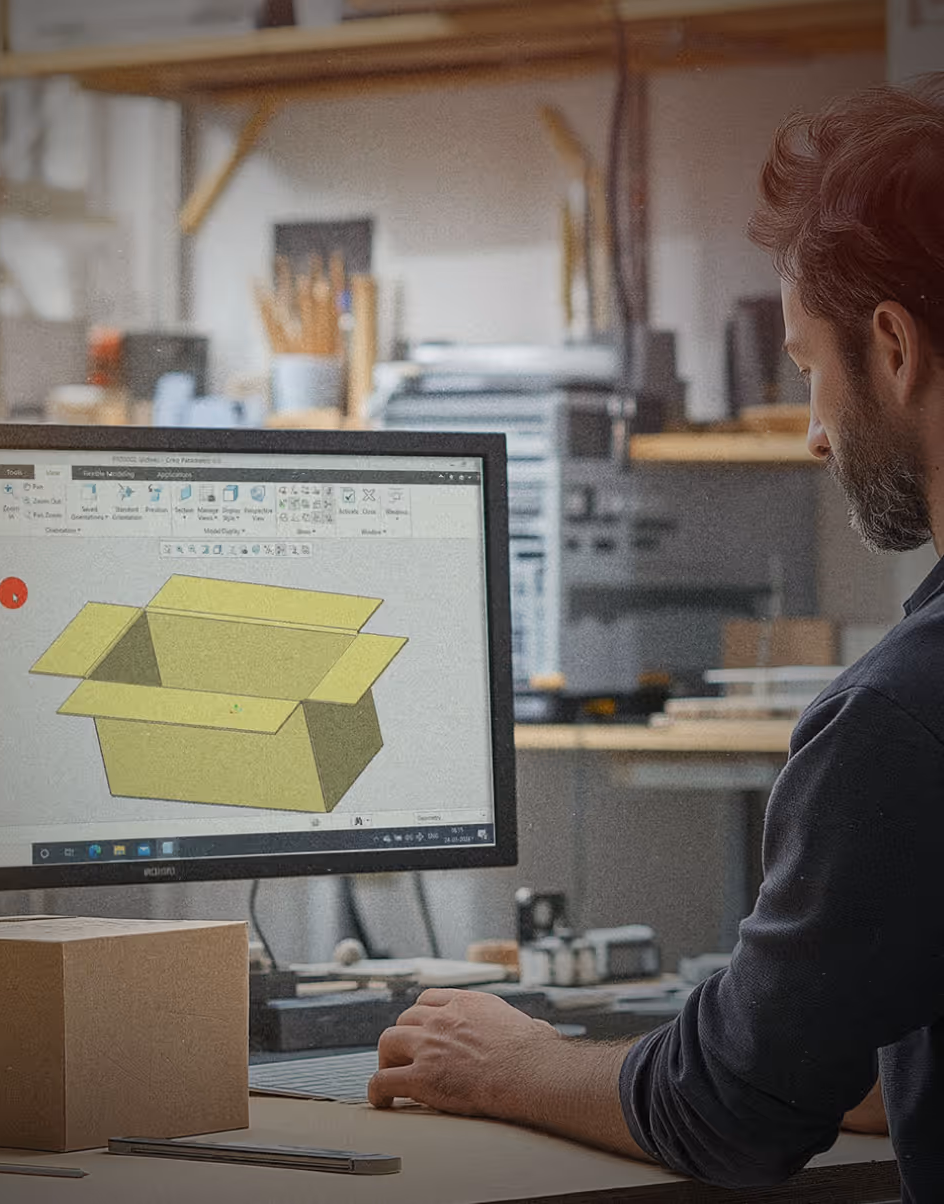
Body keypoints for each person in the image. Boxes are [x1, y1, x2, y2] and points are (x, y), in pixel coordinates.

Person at [368, 72, 944, 1199]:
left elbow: (725, 1116)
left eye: (808, 372)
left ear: (891, 346)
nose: (815, 436)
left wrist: (515, 1061)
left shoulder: (897, 720)